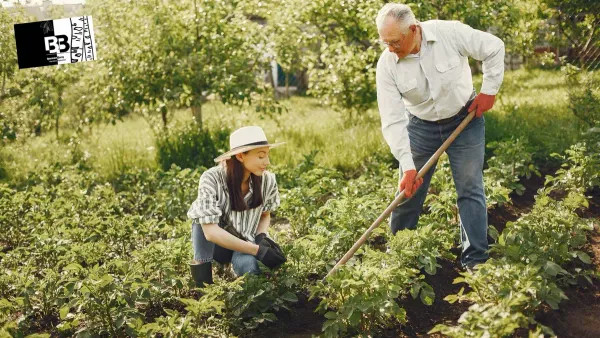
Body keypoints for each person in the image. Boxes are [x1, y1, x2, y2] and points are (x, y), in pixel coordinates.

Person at [374, 3, 505, 271]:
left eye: (395, 42)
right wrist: (408, 166)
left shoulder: (449, 33)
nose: (390, 48)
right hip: (420, 127)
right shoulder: (387, 64)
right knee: (408, 191)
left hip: (465, 119)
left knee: (470, 188)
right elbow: (393, 119)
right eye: (384, 42)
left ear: (413, 30)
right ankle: (398, 256)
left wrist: (489, 91)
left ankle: (476, 261)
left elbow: (494, 47)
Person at [187, 126, 287, 287]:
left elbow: (265, 215)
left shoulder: (268, 180)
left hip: (246, 243)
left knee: (250, 268)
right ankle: (202, 285)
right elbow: (210, 232)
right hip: (218, 246)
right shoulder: (212, 178)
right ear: (240, 156)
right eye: (261, 156)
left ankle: (238, 273)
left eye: (268, 155)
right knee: (200, 220)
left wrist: (261, 237)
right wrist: (257, 251)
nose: (267, 162)